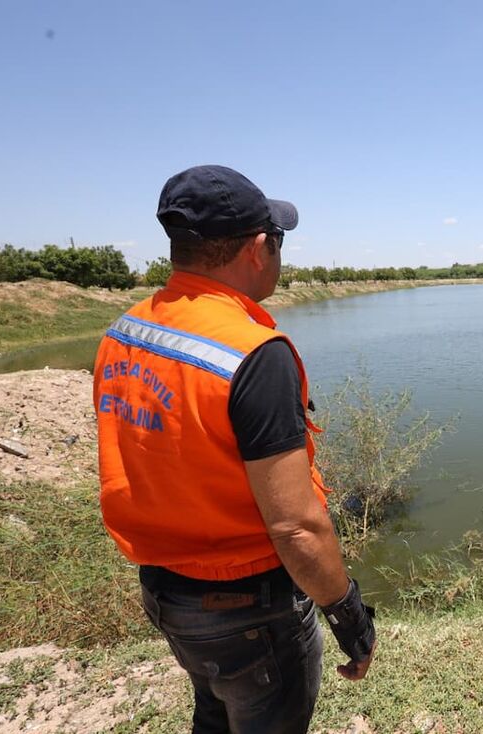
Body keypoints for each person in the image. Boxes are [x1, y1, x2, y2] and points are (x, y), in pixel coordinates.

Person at [94, 165, 375, 734]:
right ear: (256, 248)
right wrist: (347, 613)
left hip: (167, 593)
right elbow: (296, 526)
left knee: (215, 711)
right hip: (248, 607)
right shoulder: (252, 352)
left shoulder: (125, 332)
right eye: (278, 242)